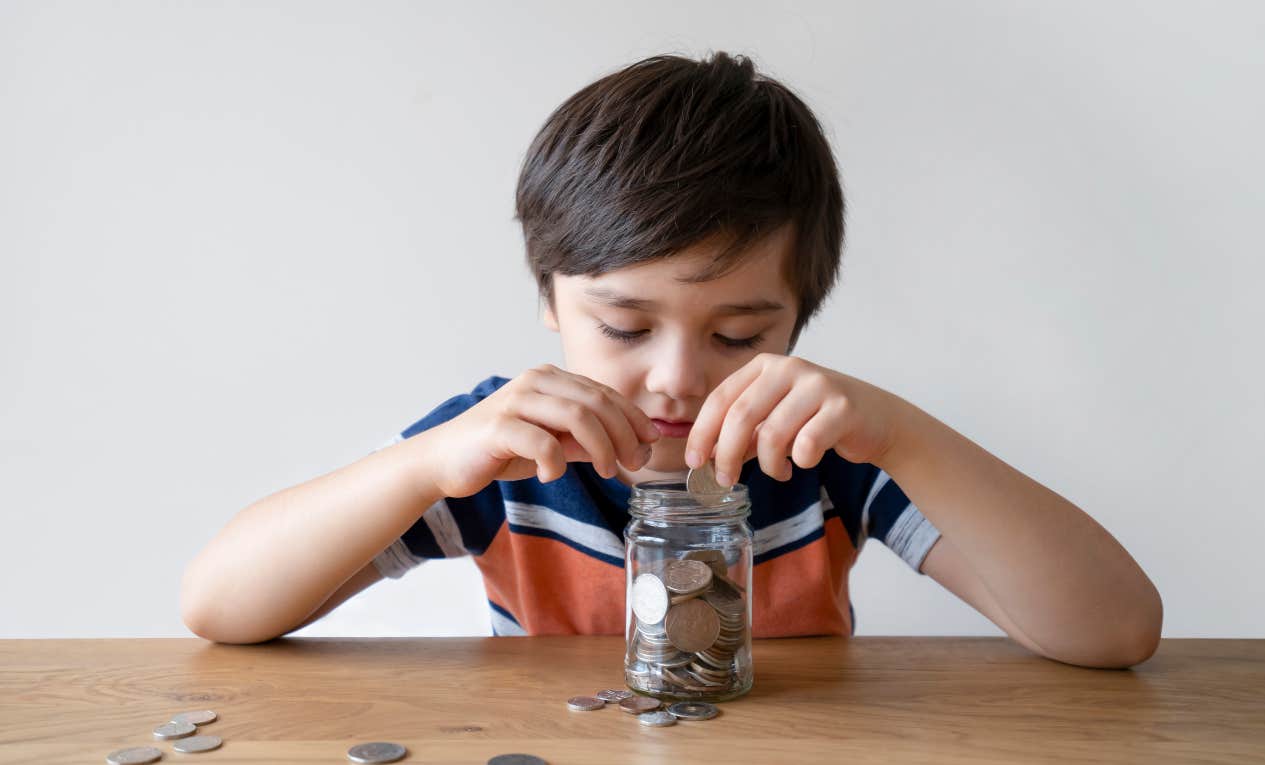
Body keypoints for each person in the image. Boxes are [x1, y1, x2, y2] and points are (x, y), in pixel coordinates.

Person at [181, 51, 1162, 669]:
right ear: (549, 299)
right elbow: (221, 607)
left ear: (795, 324)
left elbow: (1115, 633)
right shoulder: (507, 452)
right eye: (623, 325)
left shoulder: (816, 447)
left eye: (738, 336)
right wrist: (428, 461)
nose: (677, 379)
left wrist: (901, 433)